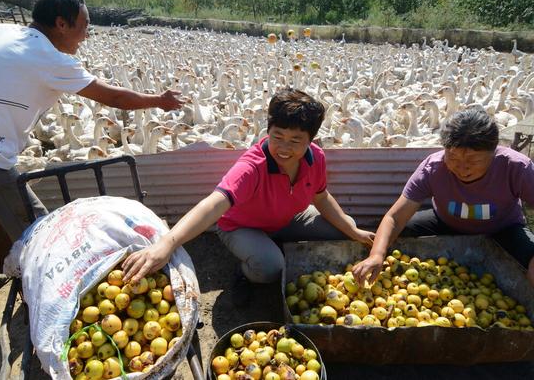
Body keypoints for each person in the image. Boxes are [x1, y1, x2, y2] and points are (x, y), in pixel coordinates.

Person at [0, 0, 182, 298]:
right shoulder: (49, 59)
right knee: (41, 228)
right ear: (61, 24)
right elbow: (114, 97)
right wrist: (159, 100)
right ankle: (54, 297)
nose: (86, 36)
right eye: (84, 27)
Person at [122, 88, 374, 306]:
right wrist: (166, 244)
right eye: (278, 137)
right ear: (268, 131)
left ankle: (276, 247)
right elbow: (213, 205)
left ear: (311, 140)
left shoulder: (316, 157)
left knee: (343, 229)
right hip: (241, 227)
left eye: (296, 140)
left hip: (287, 218)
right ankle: (245, 272)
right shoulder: (252, 167)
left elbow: (321, 198)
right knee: (270, 269)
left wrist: (354, 231)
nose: (284, 148)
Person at [353, 109, 534, 287]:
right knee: (391, 236)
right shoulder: (433, 168)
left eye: (474, 161)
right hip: (445, 222)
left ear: (493, 152)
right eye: (453, 158)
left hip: (504, 229)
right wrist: (377, 254)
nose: (462, 168)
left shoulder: (516, 167)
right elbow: (394, 218)